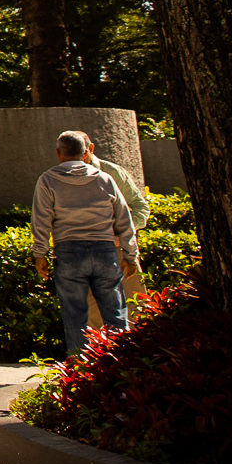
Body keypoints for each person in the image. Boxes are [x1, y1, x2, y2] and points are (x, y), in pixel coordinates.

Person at [32, 130, 140, 356]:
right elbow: (124, 221)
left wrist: (40, 254)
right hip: (105, 251)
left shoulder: (48, 180)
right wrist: (130, 256)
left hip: (69, 252)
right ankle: (121, 365)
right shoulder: (104, 178)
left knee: (75, 316)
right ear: (85, 153)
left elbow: (41, 221)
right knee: (116, 313)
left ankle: (80, 371)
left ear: (58, 153)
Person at [81, 134, 150, 330]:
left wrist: (122, 233)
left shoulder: (112, 172)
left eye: (82, 153)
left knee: (136, 310)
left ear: (91, 148)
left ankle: (137, 356)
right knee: (92, 317)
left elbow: (140, 207)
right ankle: (95, 359)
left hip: (120, 252)